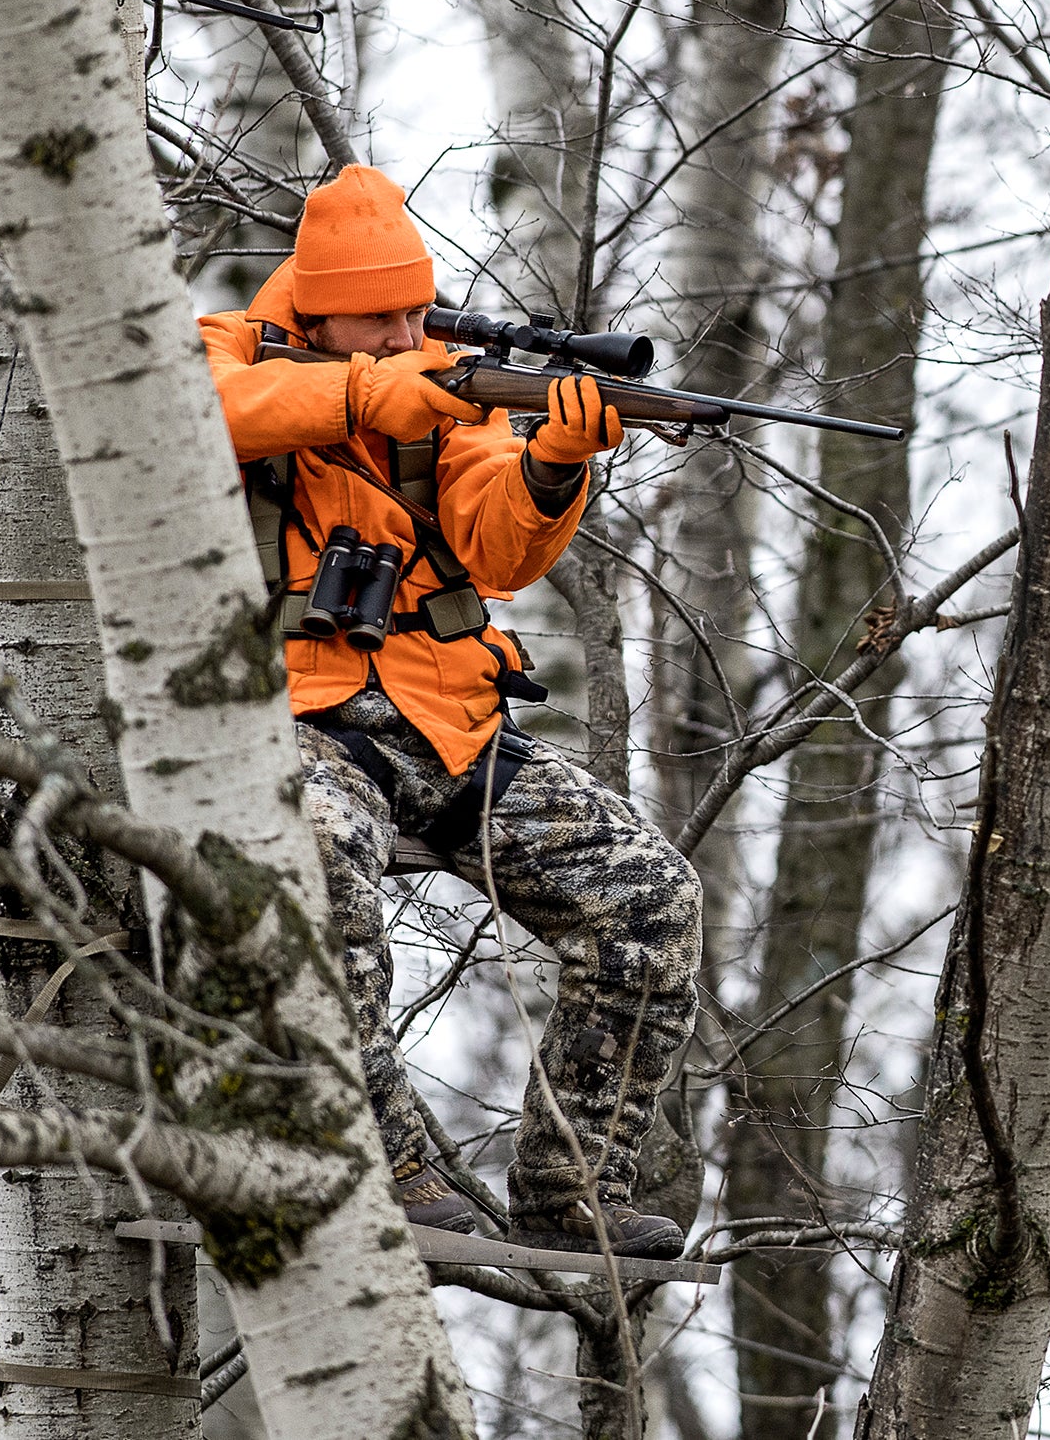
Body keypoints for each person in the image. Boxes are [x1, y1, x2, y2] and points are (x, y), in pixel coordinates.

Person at [199, 165, 701, 1258]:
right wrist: (364, 396)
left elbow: (496, 549)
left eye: (414, 310)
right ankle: (390, 1169)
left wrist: (556, 460)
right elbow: (199, 414)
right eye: (378, 315)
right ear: (316, 306)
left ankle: (574, 1193)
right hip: (292, 716)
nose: (401, 332)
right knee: (320, 871)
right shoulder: (227, 347)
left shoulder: (445, 392)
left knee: (649, 900)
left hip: (448, 724)